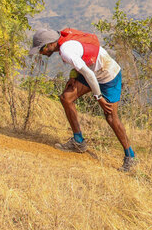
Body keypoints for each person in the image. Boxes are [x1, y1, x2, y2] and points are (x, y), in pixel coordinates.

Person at [29, 28, 136, 172]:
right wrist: (74, 75)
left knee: (111, 117)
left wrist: (99, 97)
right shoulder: (65, 40)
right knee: (66, 98)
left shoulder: (66, 50)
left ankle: (130, 157)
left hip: (108, 74)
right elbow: (82, 58)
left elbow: (89, 74)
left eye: (41, 49)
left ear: (49, 44)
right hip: (93, 70)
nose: (41, 53)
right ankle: (78, 142)